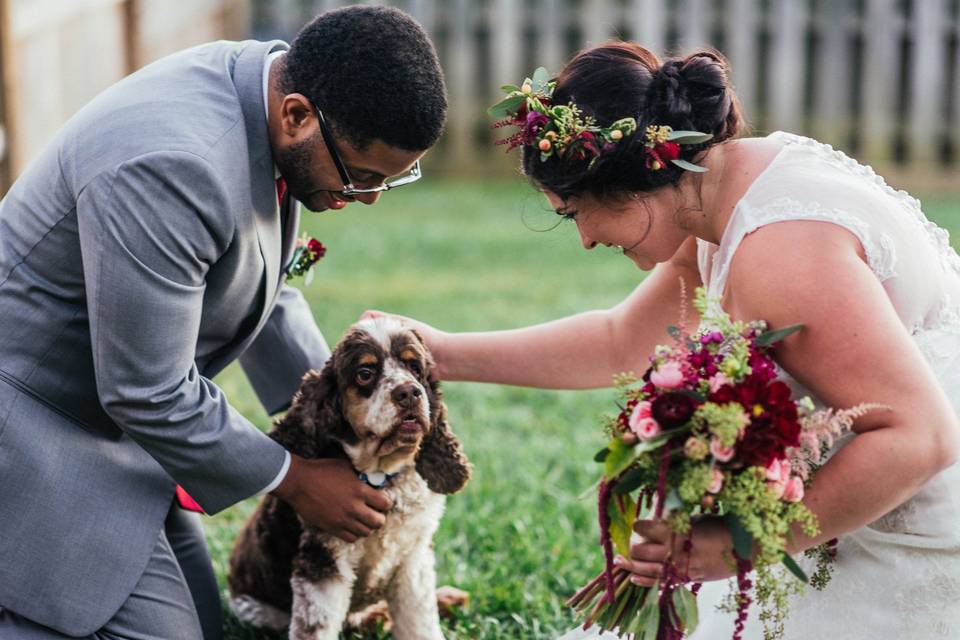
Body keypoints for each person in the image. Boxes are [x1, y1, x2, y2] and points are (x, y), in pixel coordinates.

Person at [368, 43, 960, 638]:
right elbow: (620, 342)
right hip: (855, 501)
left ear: (634, 181)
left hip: (912, 526)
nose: (586, 241)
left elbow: (920, 436)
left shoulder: (780, 252)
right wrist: (441, 353)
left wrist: (734, 545)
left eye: (574, 214)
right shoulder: (719, 187)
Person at [0, 6, 446, 639]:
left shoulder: (260, 90)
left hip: (119, 432)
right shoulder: (173, 164)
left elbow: (259, 292)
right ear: (297, 116)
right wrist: (295, 477)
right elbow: (145, 389)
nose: (369, 197)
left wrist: (341, 419)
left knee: (205, 629)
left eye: (390, 181)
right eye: (362, 175)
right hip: (36, 429)